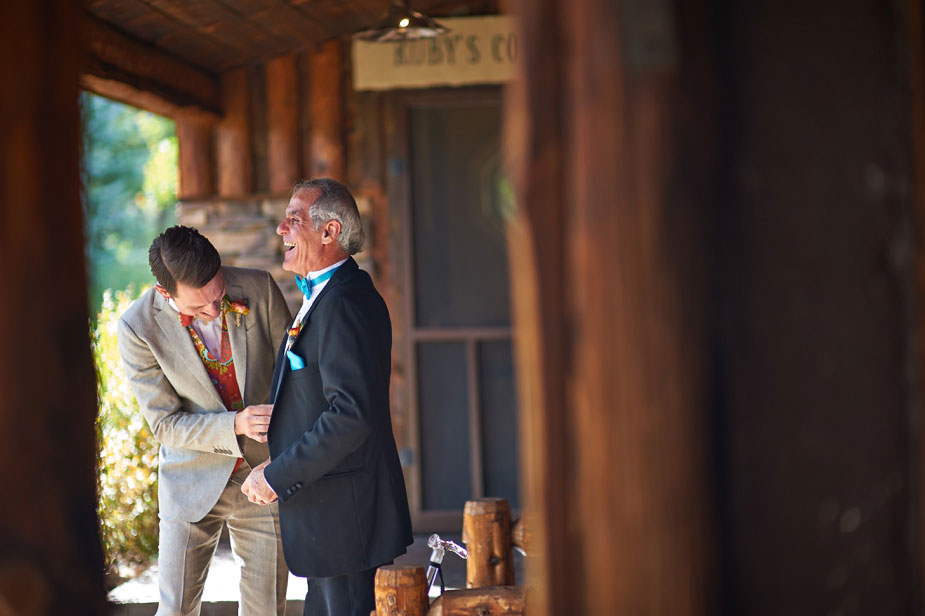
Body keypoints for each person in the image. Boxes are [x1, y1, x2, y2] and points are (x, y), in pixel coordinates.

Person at [241, 178, 413, 616]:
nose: (281, 229)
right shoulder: (327, 295)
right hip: (331, 518)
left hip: (346, 521)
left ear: (329, 231)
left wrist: (278, 475)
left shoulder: (343, 302)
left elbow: (350, 416)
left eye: (294, 219)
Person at [118, 225, 292, 615]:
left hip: (264, 475)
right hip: (190, 481)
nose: (214, 311)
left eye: (218, 296)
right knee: (176, 608)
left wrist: (284, 460)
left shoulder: (260, 288)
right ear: (166, 294)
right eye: (198, 307)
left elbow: (298, 377)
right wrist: (235, 424)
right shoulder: (137, 327)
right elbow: (164, 424)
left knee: (269, 610)